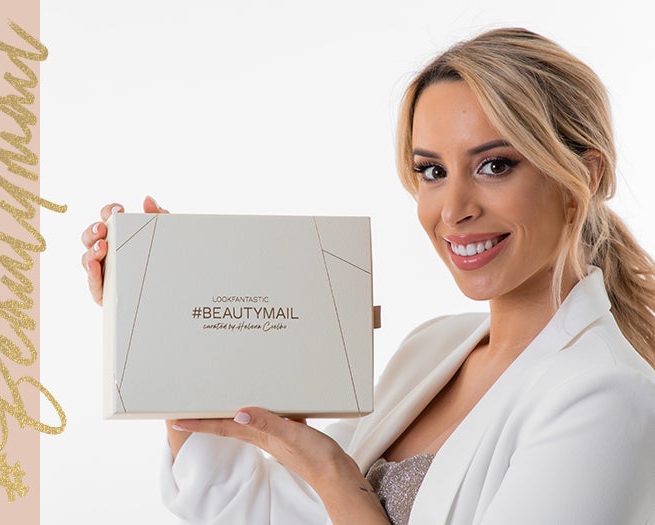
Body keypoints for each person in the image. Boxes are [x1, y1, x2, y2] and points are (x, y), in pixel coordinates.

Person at [79, 27, 655, 524]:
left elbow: (333, 499)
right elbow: (262, 511)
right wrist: (175, 314)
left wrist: (337, 478)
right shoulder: (433, 347)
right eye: (432, 171)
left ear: (584, 175)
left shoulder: (607, 398)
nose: (453, 209)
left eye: (494, 165)